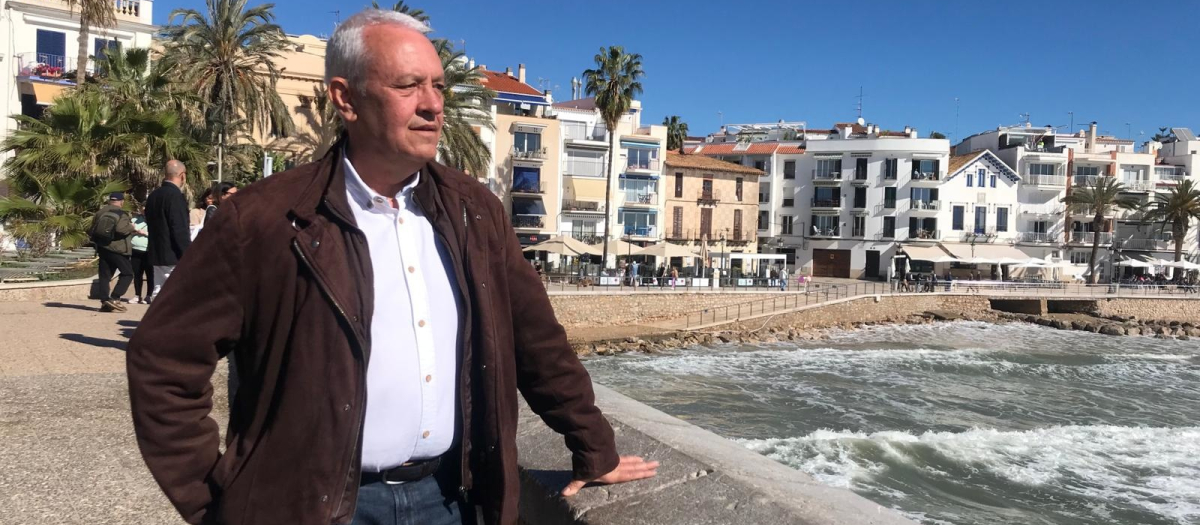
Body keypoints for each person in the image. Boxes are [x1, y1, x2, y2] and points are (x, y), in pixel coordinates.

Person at [127, 10, 656, 525]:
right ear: (345, 98)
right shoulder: (265, 219)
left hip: (451, 499)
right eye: (408, 86)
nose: (432, 106)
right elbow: (164, 360)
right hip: (316, 506)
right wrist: (216, 503)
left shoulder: (475, 211)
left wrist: (594, 448)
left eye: (439, 87)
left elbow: (536, 341)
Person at [144, 160, 192, 302]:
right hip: (173, 254)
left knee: (159, 291)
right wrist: (188, 253)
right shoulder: (175, 196)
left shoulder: (153, 196)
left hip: (157, 252)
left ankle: (155, 321)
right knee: (178, 295)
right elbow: (179, 228)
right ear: (182, 175)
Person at [90, 192, 136, 312]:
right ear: (121, 202)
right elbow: (121, 230)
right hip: (118, 249)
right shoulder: (122, 213)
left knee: (105, 276)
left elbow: (92, 229)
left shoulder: (100, 212)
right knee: (128, 273)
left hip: (103, 248)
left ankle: (105, 301)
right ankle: (115, 298)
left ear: (110, 201)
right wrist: (132, 227)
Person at [128, 205, 153, 304]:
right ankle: (137, 295)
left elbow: (158, 234)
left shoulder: (155, 221)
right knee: (137, 274)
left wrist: (145, 233)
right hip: (135, 250)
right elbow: (128, 230)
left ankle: (149, 295)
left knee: (150, 274)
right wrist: (134, 230)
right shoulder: (135, 219)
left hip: (148, 250)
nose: (144, 211)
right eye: (142, 209)